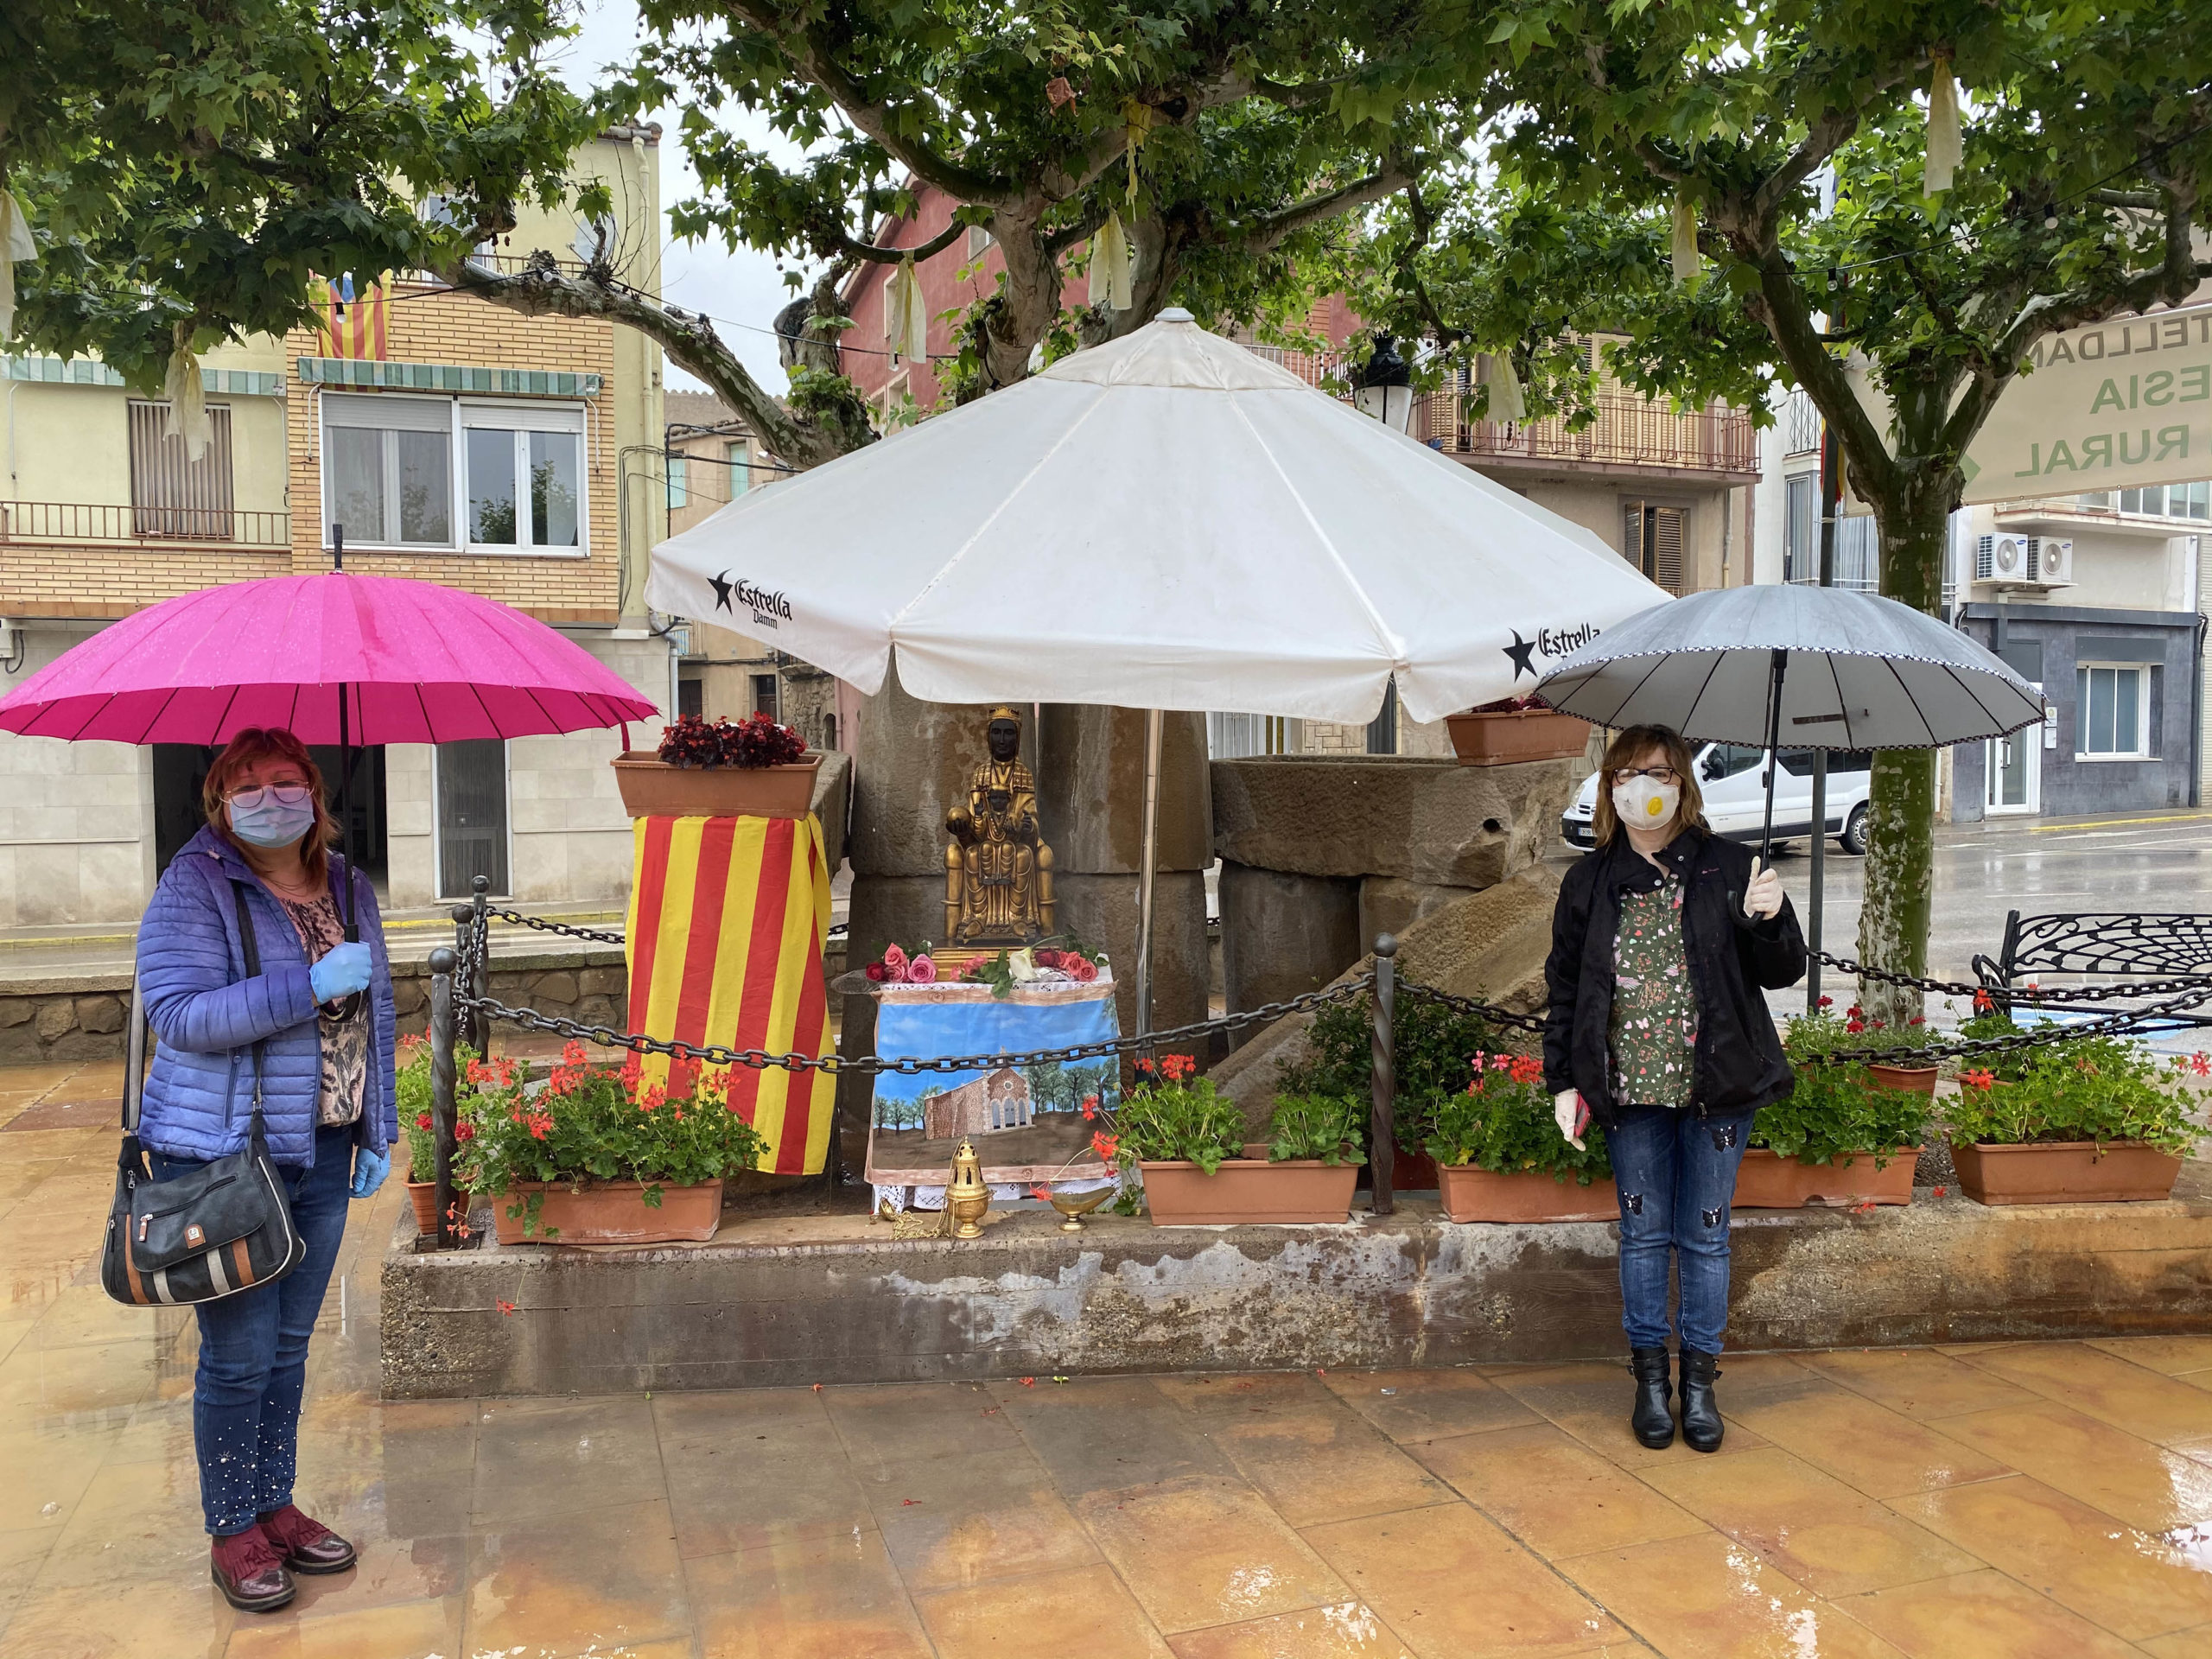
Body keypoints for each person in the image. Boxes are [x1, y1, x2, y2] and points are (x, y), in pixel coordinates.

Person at [135, 728, 397, 1611]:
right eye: (246, 783)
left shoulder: (349, 883)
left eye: (285, 781)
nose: (268, 796)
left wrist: (376, 1128)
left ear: (316, 794)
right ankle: (232, 1530)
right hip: (226, 1159)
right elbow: (179, 1014)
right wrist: (308, 984)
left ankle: (275, 1506)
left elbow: (380, 1015)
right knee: (239, 1356)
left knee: (288, 1349)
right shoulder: (196, 884)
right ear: (219, 800)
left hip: (324, 1148)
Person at [1542, 724, 1805, 1452]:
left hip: (1717, 1087)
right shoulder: (1589, 881)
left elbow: (1783, 972)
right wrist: (1563, 1079)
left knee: (1706, 1238)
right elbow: (1565, 987)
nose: (1641, 787)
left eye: (1656, 771)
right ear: (1609, 788)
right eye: (1625, 774)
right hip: (1628, 1092)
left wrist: (1771, 916)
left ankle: (1699, 1384)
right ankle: (1650, 1380)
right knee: (1644, 1236)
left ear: (1682, 782)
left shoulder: (1727, 867)